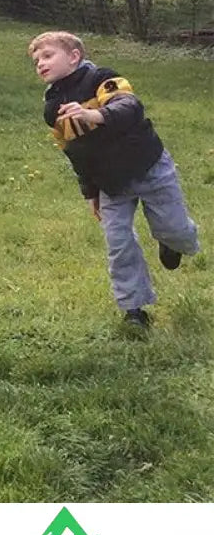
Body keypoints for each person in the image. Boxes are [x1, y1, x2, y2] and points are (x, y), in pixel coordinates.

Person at [28, 31, 200, 331]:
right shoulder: (52, 108)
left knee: (176, 231)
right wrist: (90, 192)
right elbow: (75, 152)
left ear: (73, 56)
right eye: (36, 60)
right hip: (110, 183)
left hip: (149, 166)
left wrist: (93, 115)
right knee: (119, 244)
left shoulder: (103, 79)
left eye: (47, 56)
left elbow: (129, 107)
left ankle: (170, 242)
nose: (40, 64)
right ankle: (134, 309)